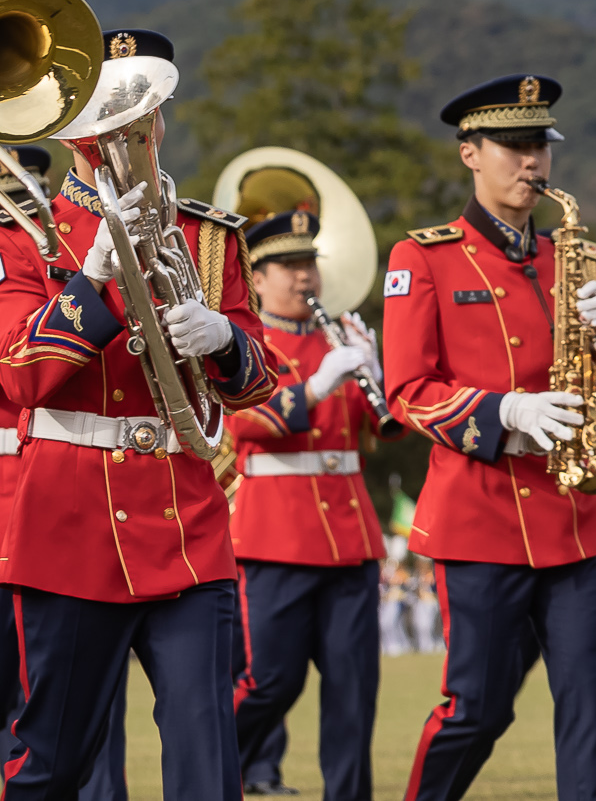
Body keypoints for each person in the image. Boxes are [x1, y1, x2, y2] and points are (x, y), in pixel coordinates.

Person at [0, 27, 279, 799]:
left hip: (184, 515)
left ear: (160, 119)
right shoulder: (26, 230)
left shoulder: (209, 238)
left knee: (205, 752)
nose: (123, 129)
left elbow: (256, 385)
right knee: (53, 756)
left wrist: (223, 339)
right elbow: (20, 375)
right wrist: (88, 282)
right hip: (68, 515)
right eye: (103, 112)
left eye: (139, 110)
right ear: (72, 124)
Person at [385, 73, 596, 801]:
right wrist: (505, 413)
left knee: (592, 700)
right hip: (479, 519)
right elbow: (406, 394)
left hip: (572, 518)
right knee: (477, 708)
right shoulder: (421, 257)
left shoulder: (579, 260)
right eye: (514, 146)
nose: (532, 162)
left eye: (540, 146)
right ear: (469, 153)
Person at [0, 141, 130, 796]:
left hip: (70, 495)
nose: (21, 213)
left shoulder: (59, 273)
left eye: (30, 197)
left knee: (85, 696)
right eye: (3, 198)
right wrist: (67, 311)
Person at [229, 207, 388, 801]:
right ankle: (211, 761)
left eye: (308, 264)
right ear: (258, 276)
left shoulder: (340, 336)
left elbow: (384, 427)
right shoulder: (244, 342)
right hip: (276, 531)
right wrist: (318, 385)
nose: (304, 278)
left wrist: (373, 371)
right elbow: (243, 423)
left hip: (349, 532)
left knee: (354, 690)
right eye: (287, 265)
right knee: (271, 680)